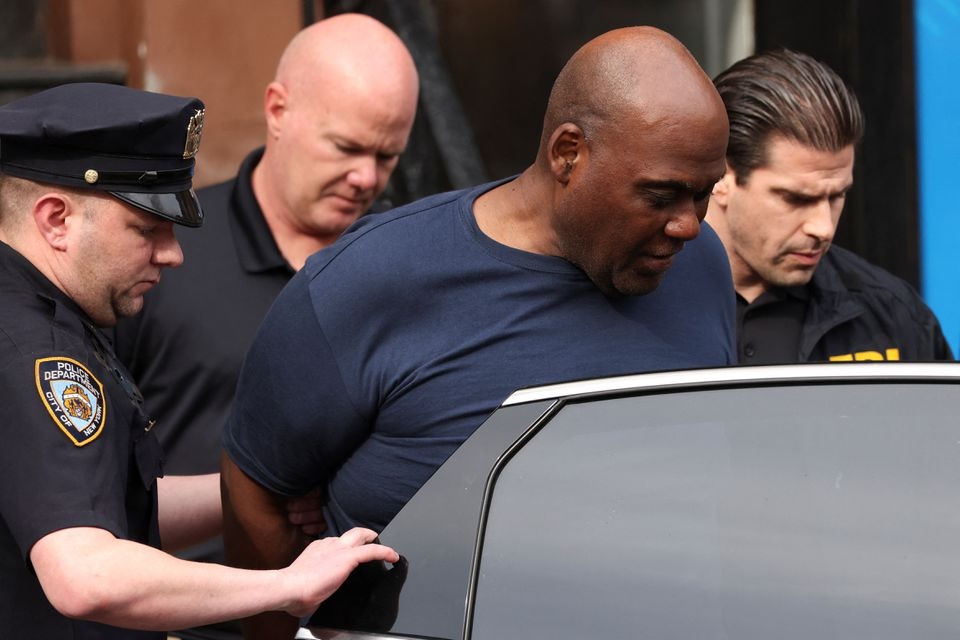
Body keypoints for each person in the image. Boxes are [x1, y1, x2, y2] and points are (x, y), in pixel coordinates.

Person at [221, 25, 735, 638]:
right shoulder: (372, 279)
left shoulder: (700, 267)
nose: (687, 225)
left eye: (703, 196)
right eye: (661, 195)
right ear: (568, 153)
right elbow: (255, 483)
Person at [0, 82, 398, 639]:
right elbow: (86, 573)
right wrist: (290, 585)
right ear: (55, 220)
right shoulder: (32, 348)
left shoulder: (46, 315)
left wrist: (255, 492)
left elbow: (106, 509)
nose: (174, 254)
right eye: (147, 229)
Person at [111, 16, 417, 639]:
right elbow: (91, 484)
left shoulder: (408, 259)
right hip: (196, 620)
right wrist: (248, 496)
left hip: (378, 617)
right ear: (278, 110)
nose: (367, 177)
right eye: (346, 147)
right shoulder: (164, 256)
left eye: (387, 156)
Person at [705, 48, 953, 363]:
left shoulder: (893, 316)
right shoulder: (640, 306)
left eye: (836, 196)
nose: (823, 228)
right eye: (797, 198)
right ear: (719, 176)